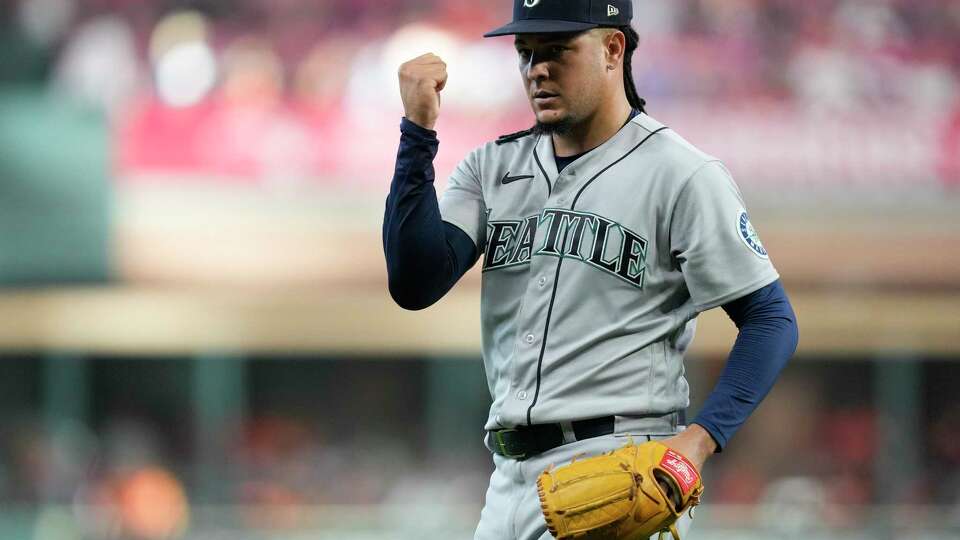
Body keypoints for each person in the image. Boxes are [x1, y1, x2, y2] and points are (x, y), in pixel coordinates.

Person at [382, 1, 799, 538]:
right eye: (526, 52)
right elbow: (415, 284)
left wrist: (696, 444)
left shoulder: (681, 173)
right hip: (505, 479)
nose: (537, 69)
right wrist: (418, 132)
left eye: (557, 50)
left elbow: (771, 321)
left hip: (619, 468)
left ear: (612, 48)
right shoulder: (492, 167)